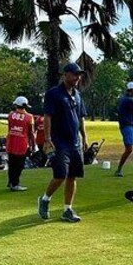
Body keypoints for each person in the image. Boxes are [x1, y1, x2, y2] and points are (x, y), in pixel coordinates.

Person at [37, 62, 89, 223]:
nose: (77, 78)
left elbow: (81, 118)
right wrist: (47, 139)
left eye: (79, 75)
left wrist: (84, 137)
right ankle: (45, 199)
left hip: (75, 142)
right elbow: (47, 117)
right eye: (74, 74)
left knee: (73, 176)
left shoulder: (77, 94)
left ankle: (67, 209)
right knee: (60, 175)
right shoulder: (54, 94)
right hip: (59, 142)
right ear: (65, 75)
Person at [6, 96, 36, 191]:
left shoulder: (10, 115)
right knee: (19, 165)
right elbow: (31, 133)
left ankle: (11, 182)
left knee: (11, 164)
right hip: (22, 143)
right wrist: (33, 145)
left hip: (11, 142)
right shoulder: (29, 117)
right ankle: (15, 184)